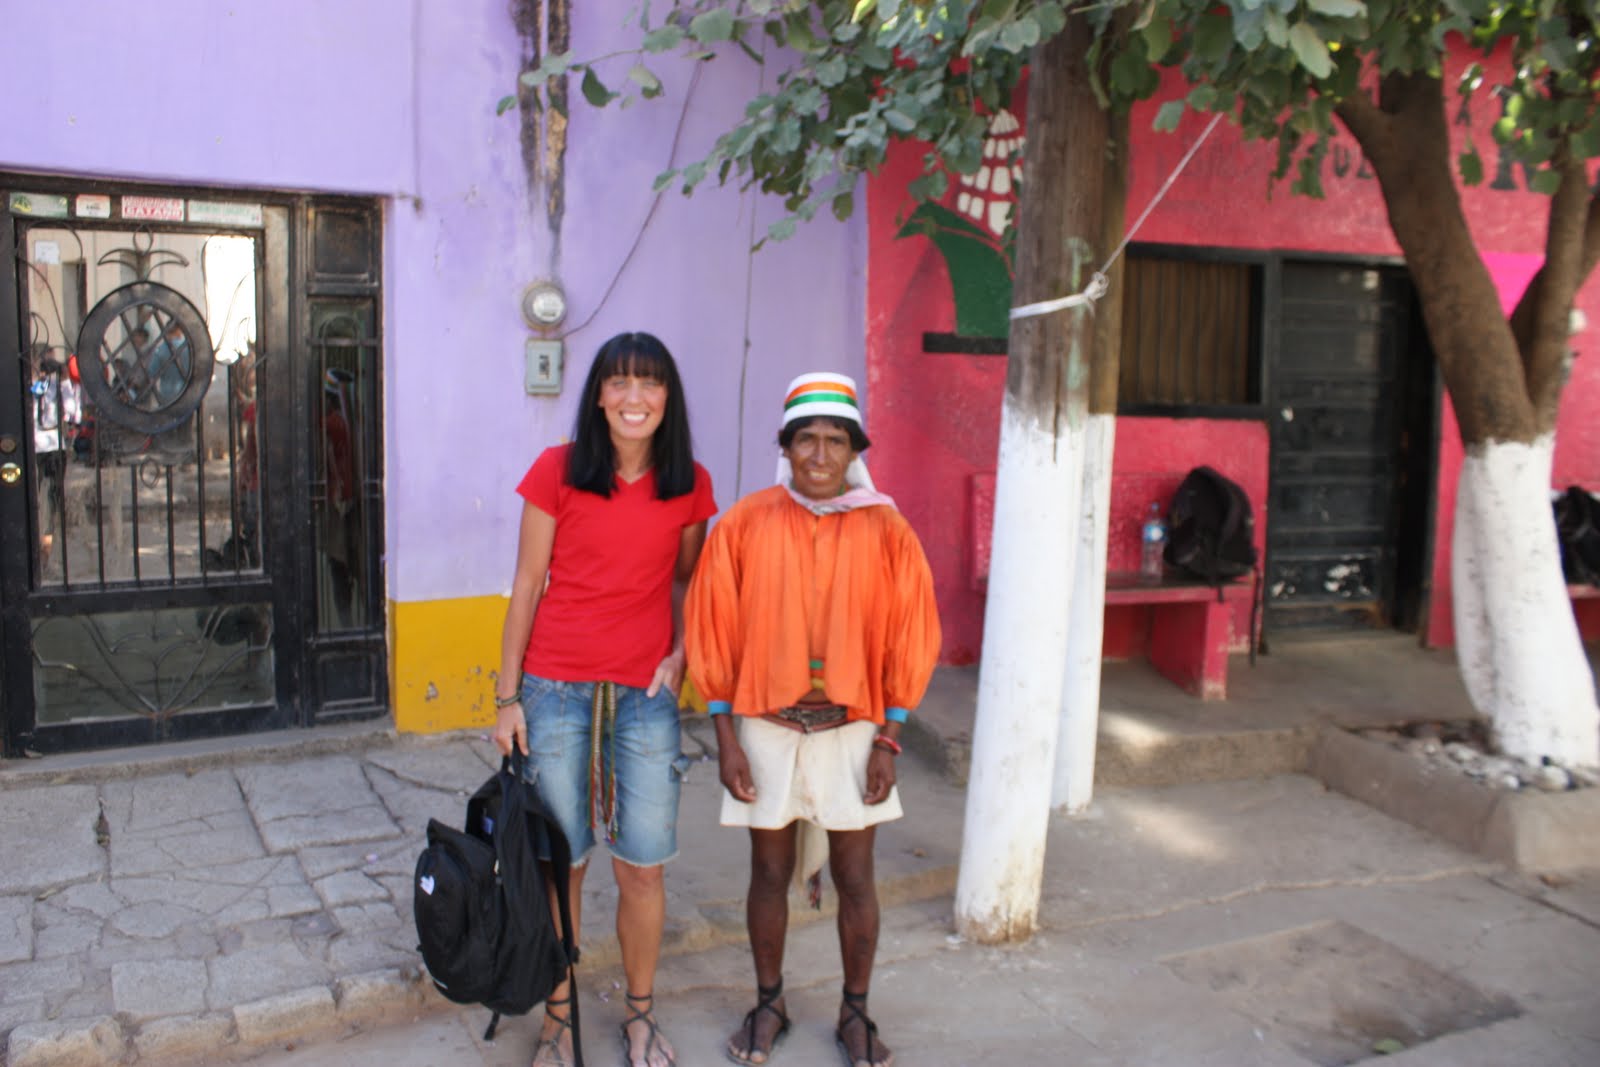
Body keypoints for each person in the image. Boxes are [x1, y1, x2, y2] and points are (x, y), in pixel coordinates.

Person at [685, 372, 940, 1067]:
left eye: (835, 440)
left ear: (855, 449)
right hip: (765, 726)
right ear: (787, 446)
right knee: (767, 871)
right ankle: (769, 1002)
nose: (820, 454)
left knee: (857, 876)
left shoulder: (887, 527)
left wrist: (890, 736)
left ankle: (856, 1013)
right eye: (807, 439)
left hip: (853, 729)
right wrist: (726, 738)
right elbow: (714, 628)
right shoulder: (745, 522)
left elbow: (912, 634)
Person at [492, 331, 715, 1067]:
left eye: (648, 384)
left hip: (644, 697)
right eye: (619, 383)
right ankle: (560, 1017)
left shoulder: (689, 483)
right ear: (598, 395)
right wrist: (506, 696)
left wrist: (682, 652)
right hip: (554, 690)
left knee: (643, 864)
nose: (633, 398)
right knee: (567, 863)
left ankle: (640, 1016)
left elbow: (687, 581)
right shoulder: (558, 471)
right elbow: (527, 584)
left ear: (666, 398)